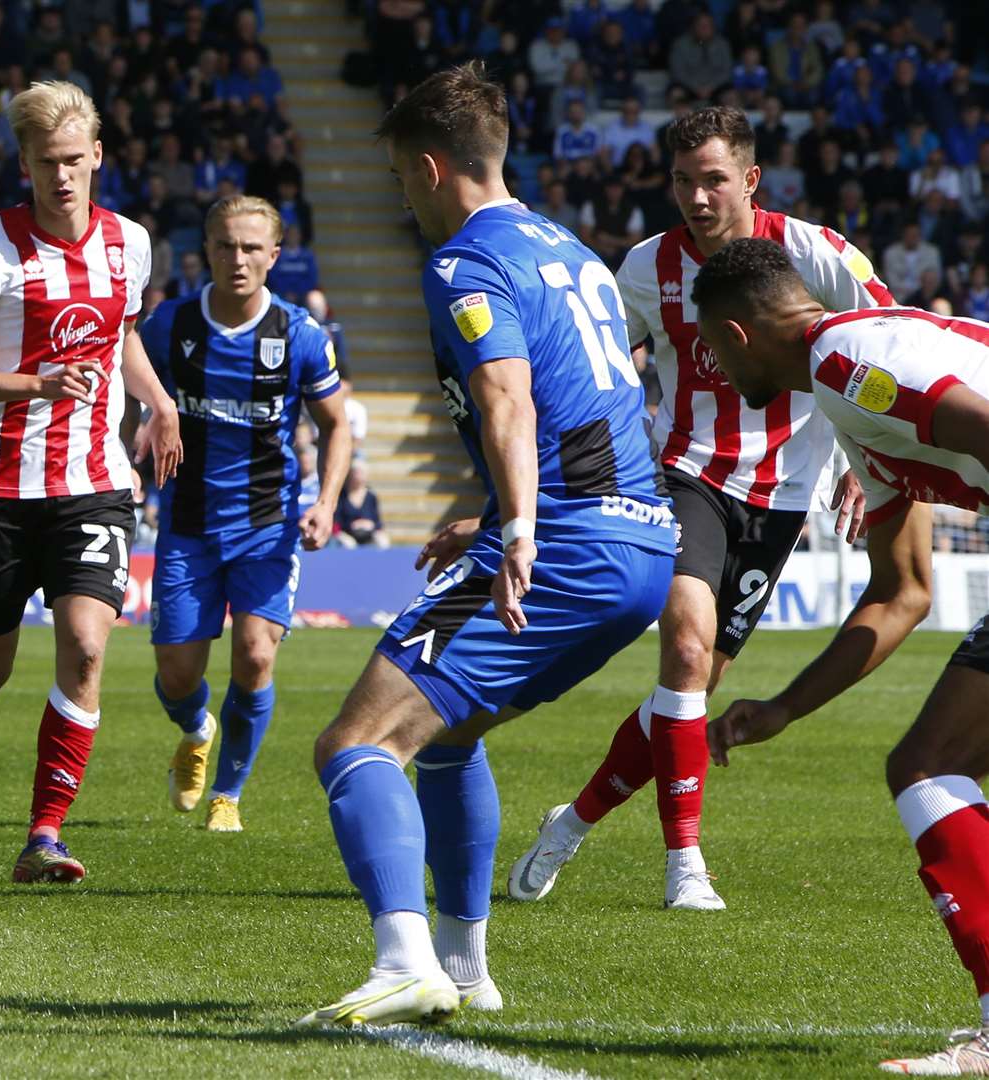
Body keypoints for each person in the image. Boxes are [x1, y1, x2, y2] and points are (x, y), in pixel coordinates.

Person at [297, 63, 676, 1029]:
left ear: (428, 169)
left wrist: (517, 529)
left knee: (355, 742)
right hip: (636, 545)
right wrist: (516, 508)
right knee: (448, 733)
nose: (399, 198)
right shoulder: (573, 251)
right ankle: (465, 969)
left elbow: (507, 393)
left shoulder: (466, 261)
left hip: (569, 545)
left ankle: (404, 959)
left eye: (395, 178)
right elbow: (599, 402)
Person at [509, 106, 893, 912]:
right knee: (684, 653)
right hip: (684, 474)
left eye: (714, 178)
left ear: (750, 179)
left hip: (783, 494)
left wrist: (871, 457)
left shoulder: (815, 253)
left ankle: (572, 820)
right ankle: (686, 862)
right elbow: (604, 362)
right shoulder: (649, 267)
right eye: (683, 180)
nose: (697, 195)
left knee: (687, 696)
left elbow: (882, 337)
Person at [692, 237, 989, 1075]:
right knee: (929, 767)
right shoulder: (849, 388)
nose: (713, 368)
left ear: (738, 335)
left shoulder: (849, 363)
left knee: (931, 768)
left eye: (711, 348)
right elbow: (904, 590)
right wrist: (786, 706)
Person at [0, 81, 181, 885]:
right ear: (24, 163)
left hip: (95, 481)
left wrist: (157, 403)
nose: (63, 177)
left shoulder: (131, 244)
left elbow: (120, 339)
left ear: (99, 158)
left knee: (85, 648)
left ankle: (44, 833)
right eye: (47, 163)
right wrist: (34, 385)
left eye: (76, 161)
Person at [140, 195, 351, 833]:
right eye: (227, 245)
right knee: (178, 675)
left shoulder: (299, 336)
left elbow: (336, 423)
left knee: (256, 656)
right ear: (206, 250)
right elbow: (128, 389)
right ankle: (197, 728)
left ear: (274, 256)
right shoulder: (169, 326)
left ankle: (227, 795)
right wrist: (132, 443)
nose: (239, 259)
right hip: (187, 524)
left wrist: (326, 501)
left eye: (252, 247)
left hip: (267, 524)